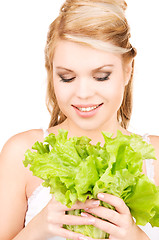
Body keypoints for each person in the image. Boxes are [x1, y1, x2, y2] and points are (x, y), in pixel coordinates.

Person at [0, 0, 159, 239]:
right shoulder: (21, 152)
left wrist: (134, 235)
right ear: (51, 73)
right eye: (67, 77)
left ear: (128, 70)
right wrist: (39, 227)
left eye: (101, 76)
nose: (83, 93)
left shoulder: (154, 156)